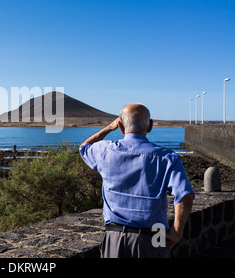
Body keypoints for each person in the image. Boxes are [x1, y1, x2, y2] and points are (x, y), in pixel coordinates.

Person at [79, 103, 194, 258]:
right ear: (150, 126)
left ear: (120, 125)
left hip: (115, 233)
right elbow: (185, 196)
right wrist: (176, 231)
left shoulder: (105, 150)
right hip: (156, 235)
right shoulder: (168, 158)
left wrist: (108, 128)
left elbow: (84, 147)